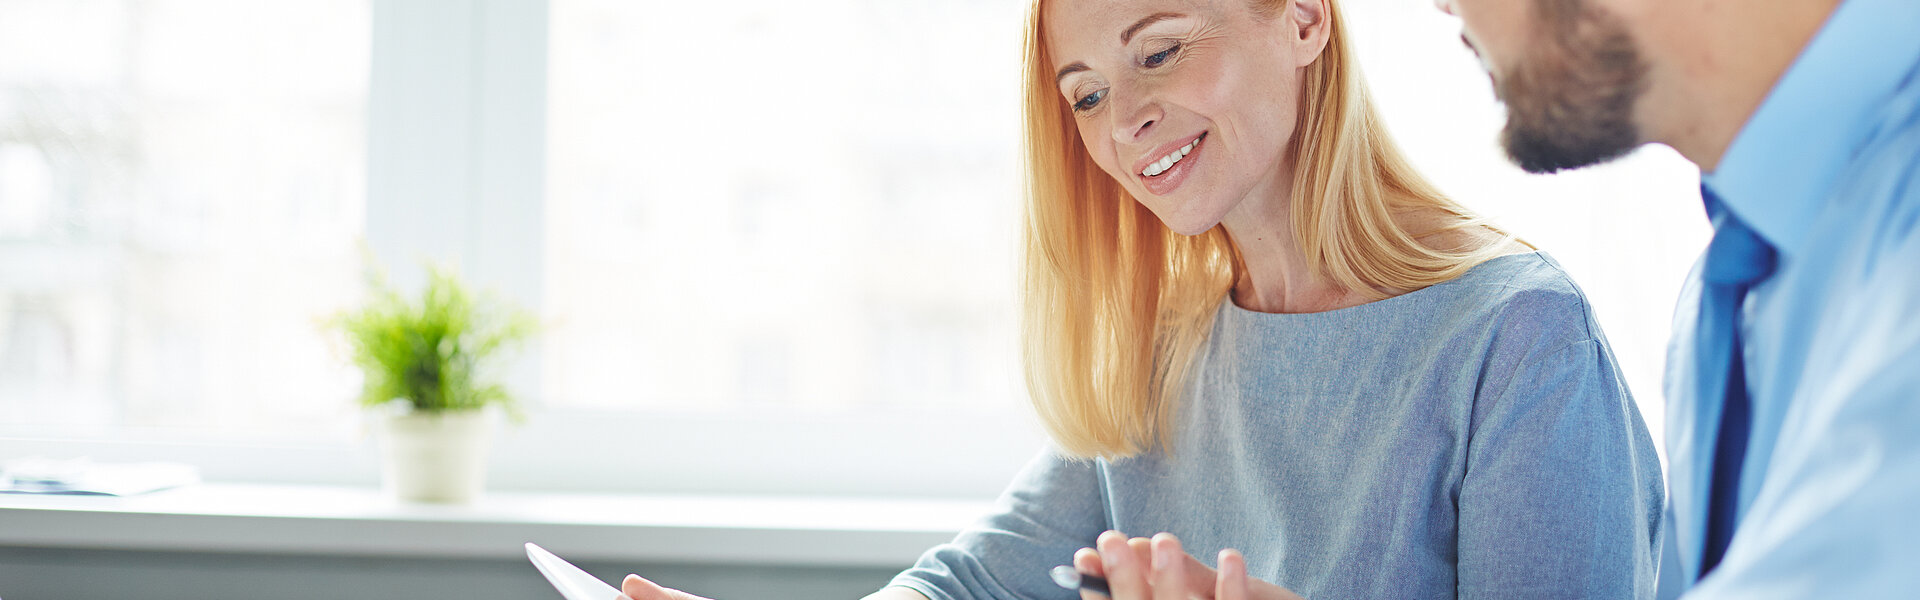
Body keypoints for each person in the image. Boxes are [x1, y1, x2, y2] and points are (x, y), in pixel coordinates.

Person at [617, 0, 1663, 598]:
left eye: (1158, 51)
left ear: (1303, 18)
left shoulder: (1520, 342)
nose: (1125, 120)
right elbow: (977, 585)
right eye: (1085, 94)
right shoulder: (1173, 350)